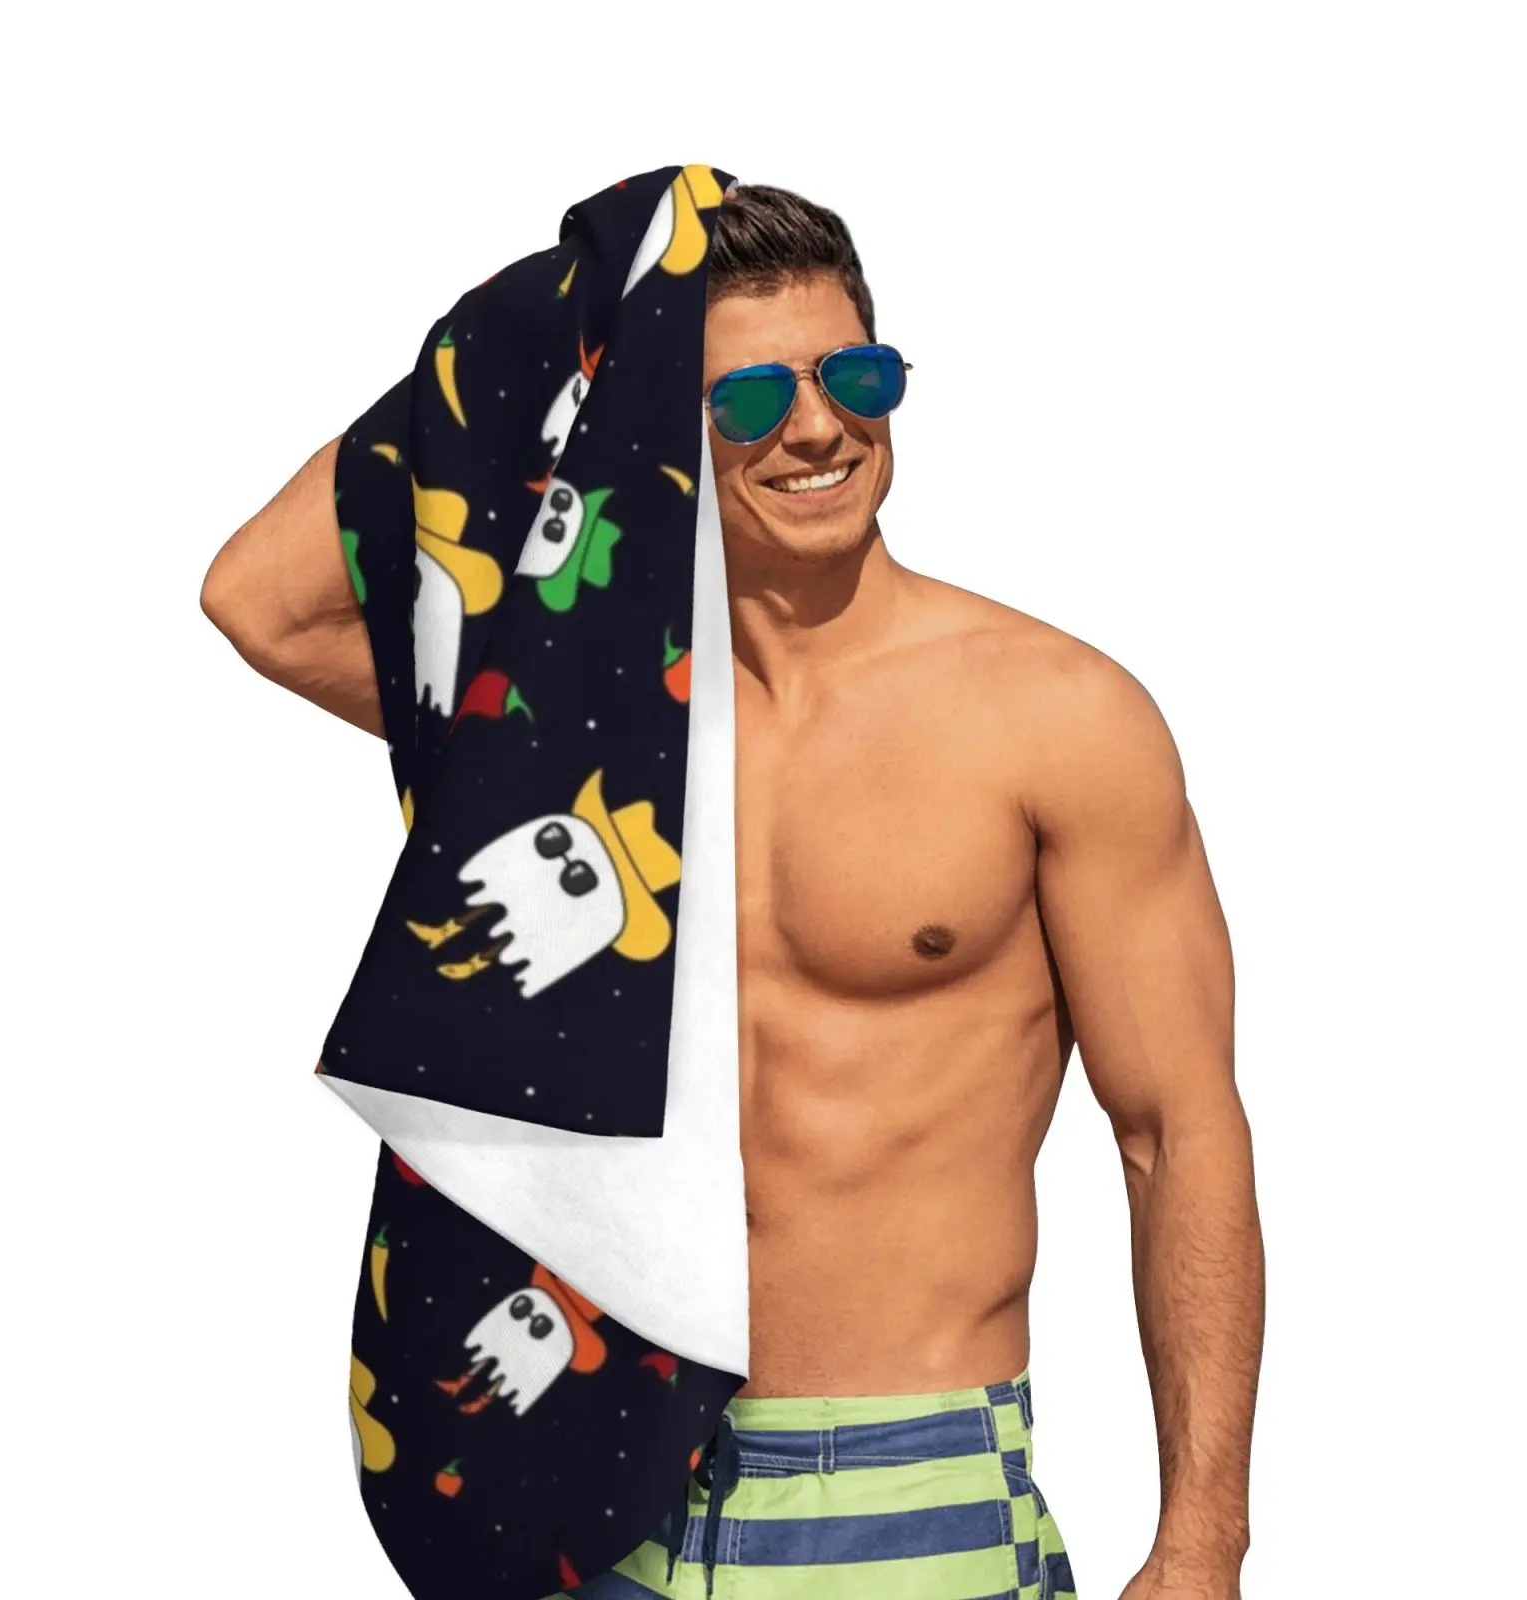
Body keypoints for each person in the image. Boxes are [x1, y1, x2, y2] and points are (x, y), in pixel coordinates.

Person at [201, 182, 1262, 1600]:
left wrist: (1202, 1540)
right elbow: (259, 599)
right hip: (589, 1484)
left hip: (903, 1484)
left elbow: (1175, 1133)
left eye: (855, 377)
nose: (817, 427)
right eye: (753, 395)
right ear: (656, 422)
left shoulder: (1054, 719)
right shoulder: (570, 735)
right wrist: (587, 311)